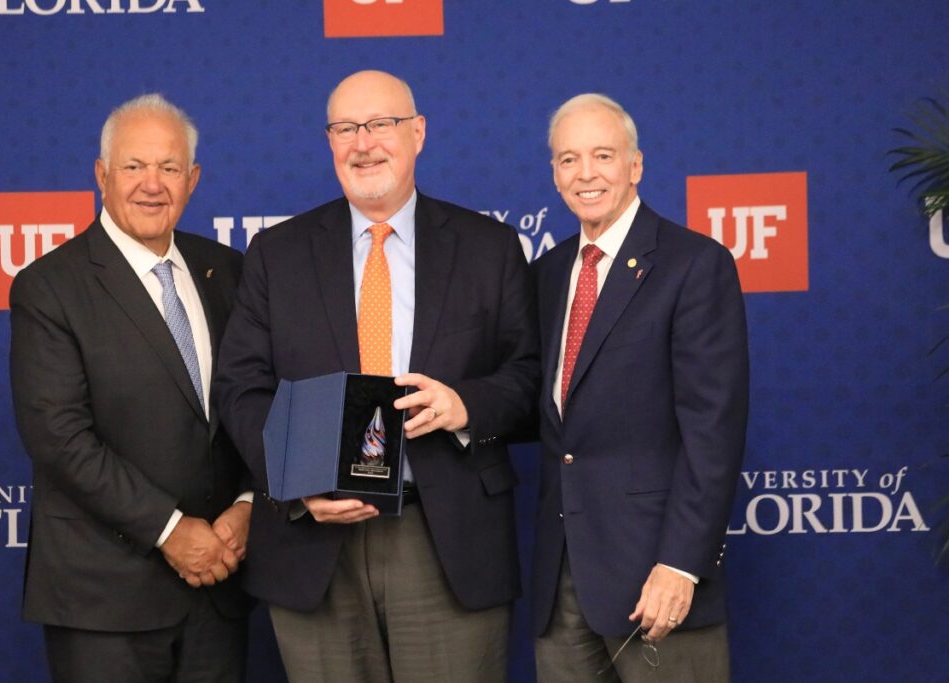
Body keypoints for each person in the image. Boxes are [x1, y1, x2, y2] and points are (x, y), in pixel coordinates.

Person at [214, 70, 539, 683]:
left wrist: (465, 404)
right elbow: (241, 388)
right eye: (345, 128)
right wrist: (293, 481)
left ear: (417, 132)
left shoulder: (488, 247)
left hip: (445, 539)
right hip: (313, 540)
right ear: (330, 141)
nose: (363, 143)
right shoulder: (275, 255)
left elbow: (530, 379)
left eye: (381, 124)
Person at [9, 93, 251, 683]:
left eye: (169, 168)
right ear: (101, 175)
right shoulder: (49, 287)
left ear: (192, 180)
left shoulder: (228, 270)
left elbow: (256, 401)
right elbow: (58, 436)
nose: (152, 184)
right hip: (104, 599)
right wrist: (171, 530)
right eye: (133, 167)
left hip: (220, 590)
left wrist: (250, 506)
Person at [530, 93, 749, 682]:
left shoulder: (694, 264)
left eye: (603, 155)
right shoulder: (548, 274)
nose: (586, 173)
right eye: (568, 159)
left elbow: (714, 432)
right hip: (560, 581)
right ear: (553, 174)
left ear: (636, 165)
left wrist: (681, 563)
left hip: (656, 579)